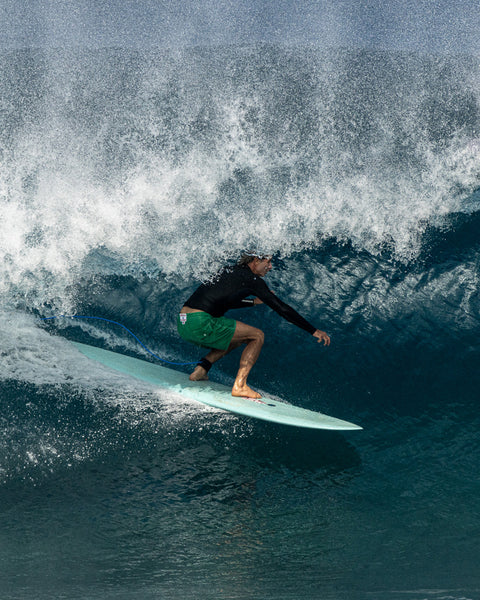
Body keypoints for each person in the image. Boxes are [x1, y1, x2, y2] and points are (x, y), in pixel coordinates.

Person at [177, 252, 330, 399]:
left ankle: (201, 369)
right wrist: (313, 330)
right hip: (201, 322)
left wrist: (253, 302)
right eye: (268, 262)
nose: (270, 267)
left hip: (184, 322)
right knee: (257, 336)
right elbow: (281, 308)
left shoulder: (228, 270)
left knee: (237, 338)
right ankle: (240, 385)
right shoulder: (252, 280)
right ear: (256, 261)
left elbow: (225, 302)